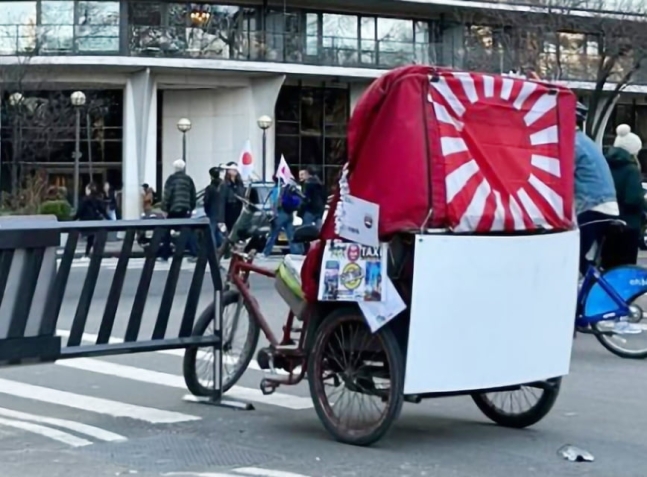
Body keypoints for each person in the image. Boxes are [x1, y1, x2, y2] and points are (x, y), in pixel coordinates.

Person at [574, 102, 619, 276]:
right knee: (583, 261)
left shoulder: (573, 144)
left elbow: (561, 180)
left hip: (594, 206)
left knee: (571, 256)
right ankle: (593, 289)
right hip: (604, 206)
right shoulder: (585, 141)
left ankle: (595, 292)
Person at [601, 124, 647, 269]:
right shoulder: (631, 170)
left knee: (608, 266)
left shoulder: (605, 164)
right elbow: (633, 198)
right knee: (626, 269)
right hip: (628, 226)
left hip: (607, 221)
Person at [159, 159, 198, 262]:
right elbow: (193, 195)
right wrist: (191, 207)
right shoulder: (188, 179)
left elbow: (167, 195)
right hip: (185, 209)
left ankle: (165, 255)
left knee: (167, 231)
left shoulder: (171, 179)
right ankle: (195, 253)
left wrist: (164, 209)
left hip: (173, 209)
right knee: (188, 231)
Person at [262, 177, 300, 257]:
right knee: (290, 234)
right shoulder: (292, 188)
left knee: (273, 234)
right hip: (290, 214)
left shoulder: (278, 189)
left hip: (281, 213)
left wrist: (274, 213)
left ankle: (266, 252)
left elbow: (274, 202)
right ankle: (296, 252)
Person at [74, 183, 108, 260]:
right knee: (91, 238)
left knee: (89, 238)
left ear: (89, 190)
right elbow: (102, 211)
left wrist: (73, 219)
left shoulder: (84, 199)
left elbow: (80, 211)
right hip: (95, 220)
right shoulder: (97, 199)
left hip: (86, 221)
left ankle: (87, 253)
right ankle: (92, 253)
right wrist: (109, 219)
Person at [221, 162, 246, 232]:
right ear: (228, 171)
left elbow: (242, 194)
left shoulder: (239, 183)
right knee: (230, 229)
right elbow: (223, 199)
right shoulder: (225, 184)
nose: (235, 170)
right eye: (232, 169)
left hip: (238, 207)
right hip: (229, 209)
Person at [204, 166, 225, 249]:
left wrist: (206, 210)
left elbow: (206, 201)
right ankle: (224, 246)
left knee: (212, 232)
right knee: (218, 232)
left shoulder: (210, 188)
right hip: (223, 212)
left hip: (212, 213)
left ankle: (212, 249)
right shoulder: (223, 186)